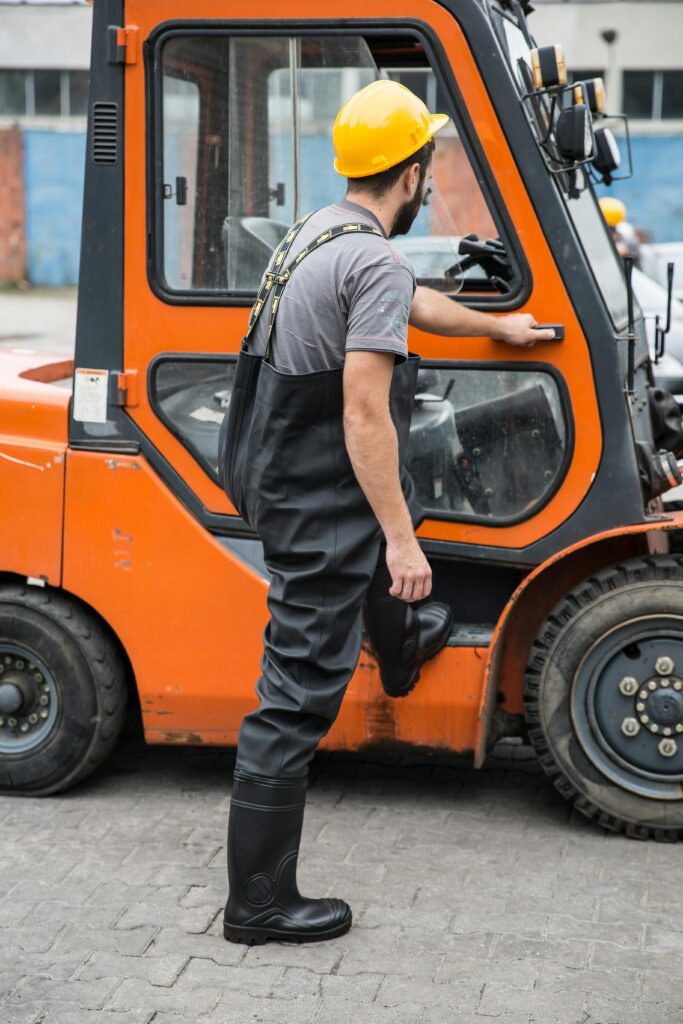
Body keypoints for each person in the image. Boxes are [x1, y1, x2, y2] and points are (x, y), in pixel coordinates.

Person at [222, 79, 555, 946]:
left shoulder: (320, 233)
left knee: (384, 537)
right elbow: (364, 414)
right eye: (428, 164)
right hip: (316, 493)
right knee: (292, 697)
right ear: (410, 173)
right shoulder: (369, 257)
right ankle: (256, 904)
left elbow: (408, 304)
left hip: (283, 469)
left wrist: (499, 328)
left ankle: (403, 637)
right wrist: (407, 544)